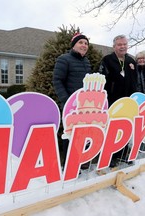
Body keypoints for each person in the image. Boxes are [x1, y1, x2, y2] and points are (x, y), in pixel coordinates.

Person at [53, 33, 91, 168]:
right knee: (69, 133)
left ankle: (81, 159)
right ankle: (68, 163)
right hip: (70, 105)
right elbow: (57, 80)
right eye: (81, 42)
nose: (84, 45)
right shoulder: (64, 59)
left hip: (84, 105)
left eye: (86, 43)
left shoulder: (86, 62)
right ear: (73, 45)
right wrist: (67, 100)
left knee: (83, 132)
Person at [99, 35, 137, 167]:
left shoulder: (131, 61)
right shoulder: (107, 60)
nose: (122, 46)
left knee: (125, 126)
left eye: (124, 44)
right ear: (114, 46)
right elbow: (102, 80)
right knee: (112, 128)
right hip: (112, 100)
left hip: (127, 101)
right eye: (119, 44)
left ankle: (122, 152)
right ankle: (111, 155)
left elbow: (135, 81)